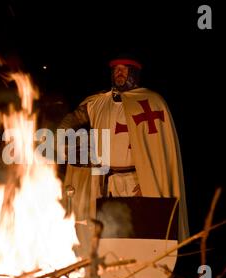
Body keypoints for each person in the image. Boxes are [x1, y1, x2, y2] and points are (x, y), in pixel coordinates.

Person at [59, 54, 189, 257]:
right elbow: (73, 119)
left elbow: (157, 150)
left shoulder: (152, 101)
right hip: (103, 180)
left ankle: (136, 277)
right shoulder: (97, 102)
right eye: (116, 69)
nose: (119, 72)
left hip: (135, 180)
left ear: (134, 72)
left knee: (135, 233)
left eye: (124, 69)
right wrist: (62, 137)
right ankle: (104, 273)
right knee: (102, 230)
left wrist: (146, 182)